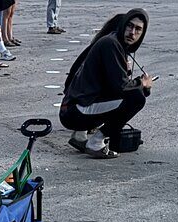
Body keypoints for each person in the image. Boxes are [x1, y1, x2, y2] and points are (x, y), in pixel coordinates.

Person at [60, 8, 152, 159]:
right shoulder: (111, 44)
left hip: (73, 108)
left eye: (138, 29)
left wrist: (140, 84)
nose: (132, 32)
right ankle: (96, 142)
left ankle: (80, 134)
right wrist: (141, 83)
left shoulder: (112, 43)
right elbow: (121, 88)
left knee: (134, 93)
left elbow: (113, 86)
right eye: (129, 26)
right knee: (137, 98)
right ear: (122, 26)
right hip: (74, 111)